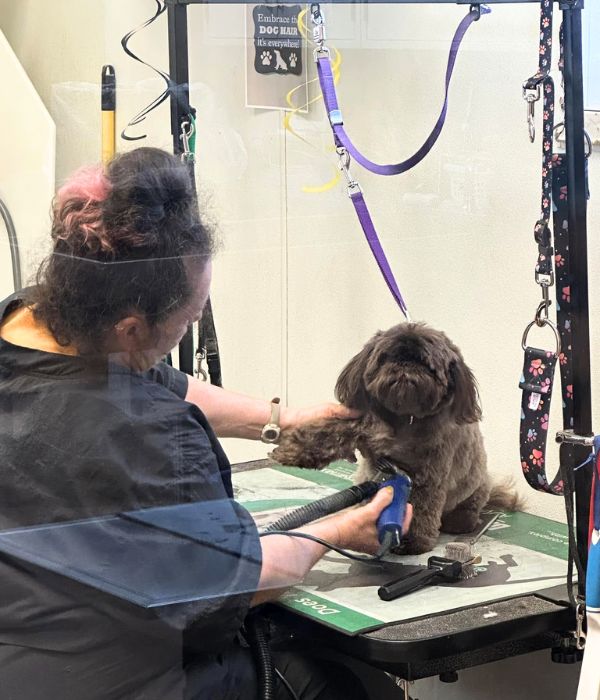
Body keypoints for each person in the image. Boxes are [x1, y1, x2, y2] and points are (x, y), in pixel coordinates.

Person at [0, 147, 411, 700]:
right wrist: (335, 533)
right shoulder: (152, 436)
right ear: (130, 329)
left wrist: (281, 419)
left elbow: (160, 382)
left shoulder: (30, 320)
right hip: (114, 679)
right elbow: (237, 582)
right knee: (349, 688)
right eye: (188, 319)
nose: (190, 324)